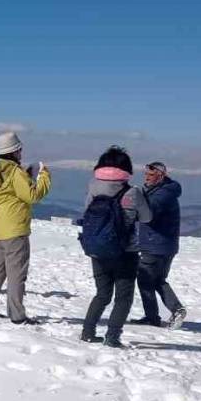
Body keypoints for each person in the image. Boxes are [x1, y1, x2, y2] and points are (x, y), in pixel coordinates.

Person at [79, 146, 153, 348]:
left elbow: (86, 213)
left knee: (102, 294)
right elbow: (147, 217)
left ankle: (87, 331)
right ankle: (112, 336)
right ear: (126, 169)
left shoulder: (93, 188)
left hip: (98, 250)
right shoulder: (132, 193)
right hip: (125, 252)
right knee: (123, 297)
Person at [0, 132, 51, 324]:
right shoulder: (15, 172)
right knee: (16, 274)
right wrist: (44, 175)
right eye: (19, 150)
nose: (21, 153)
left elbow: (6, 195)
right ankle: (17, 315)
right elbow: (33, 195)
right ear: (14, 151)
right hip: (16, 230)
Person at [131, 161, 187, 329]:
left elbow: (148, 213)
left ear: (161, 176)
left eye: (151, 175)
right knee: (157, 280)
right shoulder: (166, 191)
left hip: (155, 244)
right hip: (165, 244)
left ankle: (157, 315)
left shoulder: (162, 194)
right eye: (146, 174)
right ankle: (170, 311)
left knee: (146, 279)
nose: (147, 178)